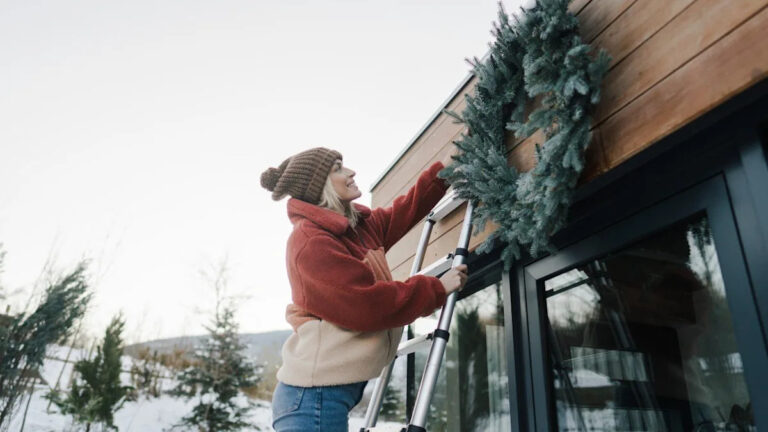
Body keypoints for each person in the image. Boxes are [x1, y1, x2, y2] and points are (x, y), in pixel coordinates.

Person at [260, 147, 468, 432]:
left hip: (323, 396)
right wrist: (435, 288)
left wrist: (445, 168)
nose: (351, 172)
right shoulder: (311, 242)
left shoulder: (356, 228)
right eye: (337, 168)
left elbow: (404, 210)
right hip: (311, 400)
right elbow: (367, 305)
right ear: (319, 186)